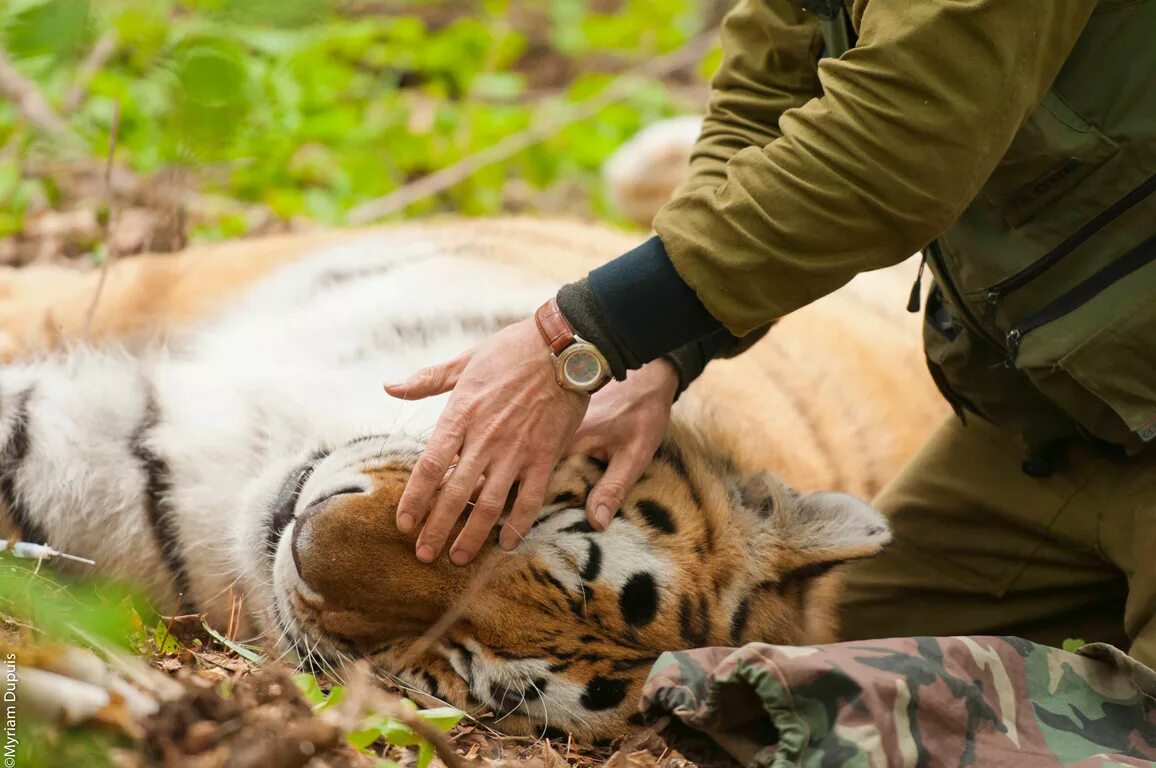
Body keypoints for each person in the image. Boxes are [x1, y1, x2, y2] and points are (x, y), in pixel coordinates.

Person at [385, 0, 1156, 666]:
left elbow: (898, 143)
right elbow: (763, 95)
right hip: (1052, 429)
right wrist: (668, 349)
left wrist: (583, 335)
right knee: (783, 683)